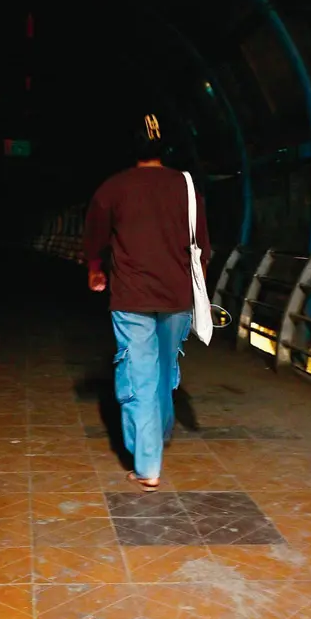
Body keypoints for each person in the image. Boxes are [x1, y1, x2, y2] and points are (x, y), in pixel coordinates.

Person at [83, 113, 210, 491]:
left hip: (132, 297)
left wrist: (96, 270)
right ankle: (158, 435)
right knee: (165, 373)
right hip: (177, 297)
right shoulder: (187, 187)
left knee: (140, 374)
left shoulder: (113, 188)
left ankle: (148, 463)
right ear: (165, 147)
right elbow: (202, 245)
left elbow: (94, 238)